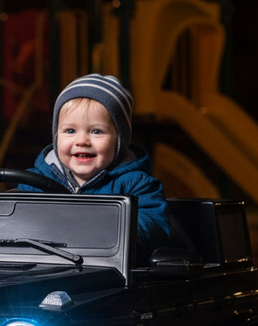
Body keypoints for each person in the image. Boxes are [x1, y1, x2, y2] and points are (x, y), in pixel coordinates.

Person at [16, 74, 172, 259]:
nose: (82, 141)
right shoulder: (33, 183)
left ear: (119, 140)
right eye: (70, 131)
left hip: (107, 268)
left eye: (96, 131)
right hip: (44, 268)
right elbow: (13, 228)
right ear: (56, 136)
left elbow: (154, 227)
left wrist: (107, 229)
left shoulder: (136, 184)